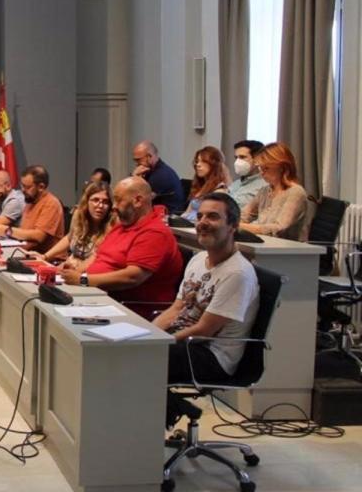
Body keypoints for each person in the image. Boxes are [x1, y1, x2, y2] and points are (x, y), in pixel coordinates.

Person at [152, 193, 260, 428]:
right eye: (199, 216)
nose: (202, 222)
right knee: (130, 352)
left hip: (211, 354)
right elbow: (176, 308)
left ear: (233, 226)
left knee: (139, 361)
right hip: (186, 342)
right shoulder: (199, 259)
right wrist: (147, 334)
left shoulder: (237, 273)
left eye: (213, 217)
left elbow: (204, 330)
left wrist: (157, 344)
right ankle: (166, 410)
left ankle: (158, 419)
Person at [62, 176, 183, 319]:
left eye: (118, 200)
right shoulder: (122, 226)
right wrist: (73, 273)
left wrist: (83, 280)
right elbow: (98, 255)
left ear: (137, 201)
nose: (113, 206)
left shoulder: (155, 232)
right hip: (99, 297)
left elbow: (132, 277)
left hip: (130, 310)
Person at [30, 180, 115, 272]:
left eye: (105, 202)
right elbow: (70, 237)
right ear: (86, 201)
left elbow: (98, 258)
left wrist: (74, 271)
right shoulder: (79, 214)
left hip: (87, 275)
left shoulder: (112, 226)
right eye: (95, 200)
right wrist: (45, 256)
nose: (100, 205)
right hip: (67, 269)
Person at [240, 141, 309, 241]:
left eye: (266, 168)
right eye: (260, 168)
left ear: (282, 167)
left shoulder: (296, 192)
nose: (262, 173)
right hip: (266, 245)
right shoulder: (264, 191)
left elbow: (279, 228)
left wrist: (238, 226)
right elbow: (245, 215)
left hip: (287, 251)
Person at [6, 165, 65, 253]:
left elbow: (38, 236)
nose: (23, 190)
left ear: (41, 187)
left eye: (27, 187)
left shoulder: (51, 203)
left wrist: (7, 231)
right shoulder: (30, 201)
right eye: (22, 185)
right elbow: (26, 235)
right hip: (28, 253)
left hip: (49, 260)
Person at [132, 141, 184, 214]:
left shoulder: (162, 175)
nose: (136, 164)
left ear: (149, 157)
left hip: (168, 218)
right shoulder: (150, 171)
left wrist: (135, 178)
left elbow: (141, 200)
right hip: (157, 214)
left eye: (138, 160)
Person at [180, 146, 230, 222]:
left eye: (203, 161)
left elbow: (211, 219)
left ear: (214, 164)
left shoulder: (220, 190)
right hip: (186, 227)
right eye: (197, 161)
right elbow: (187, 212)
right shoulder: (200, 186)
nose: (198, 165)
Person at [228, 140, 267, 210]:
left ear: (257, 159)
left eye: (242, 157)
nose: (237, 162)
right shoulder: (235, 184)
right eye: (236, 158)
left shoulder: (265, 186)